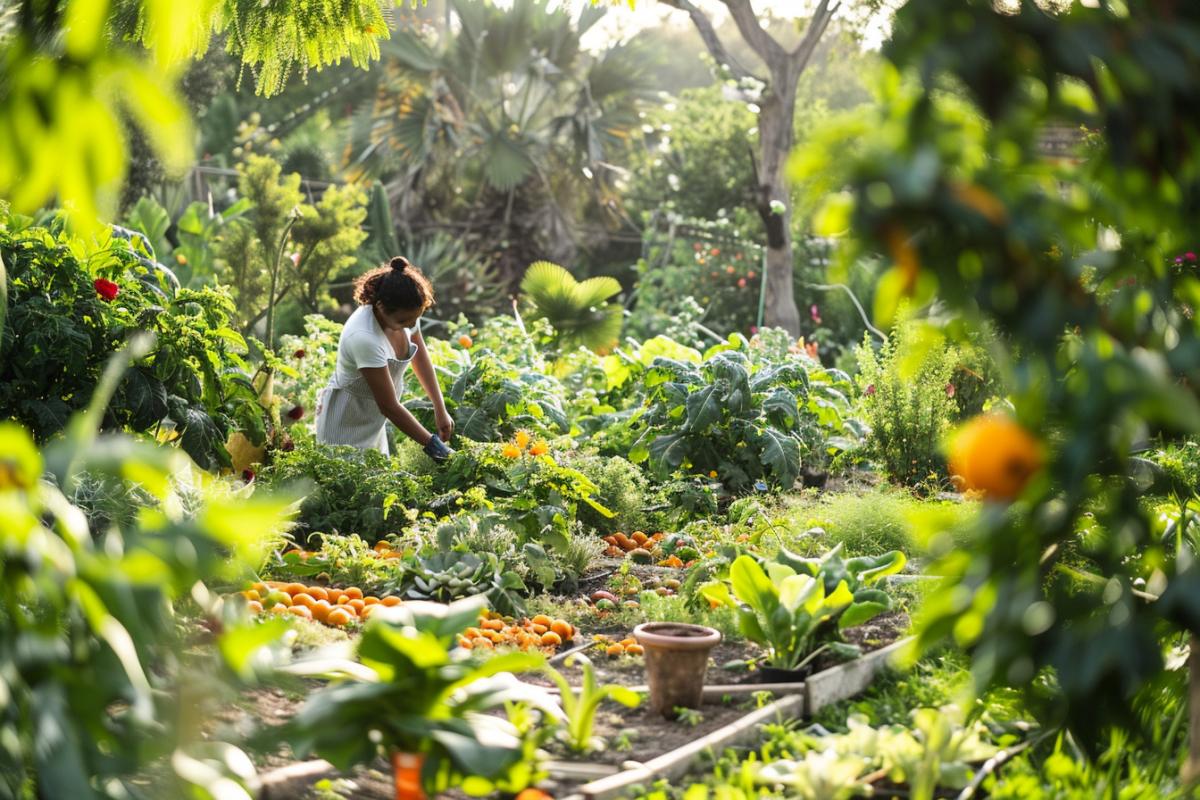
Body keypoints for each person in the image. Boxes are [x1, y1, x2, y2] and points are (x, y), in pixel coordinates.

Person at [315, 256, 454, 461]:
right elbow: (388, 405)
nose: (411, 325)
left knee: (378, 484)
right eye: (404, 321)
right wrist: (436, 447)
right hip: (346, 420)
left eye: (416, 318)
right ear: (380, 307)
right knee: (342, 486)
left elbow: (420, 357)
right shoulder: (364, 337)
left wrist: (439, 408)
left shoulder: (406, 312)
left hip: (374, 420)